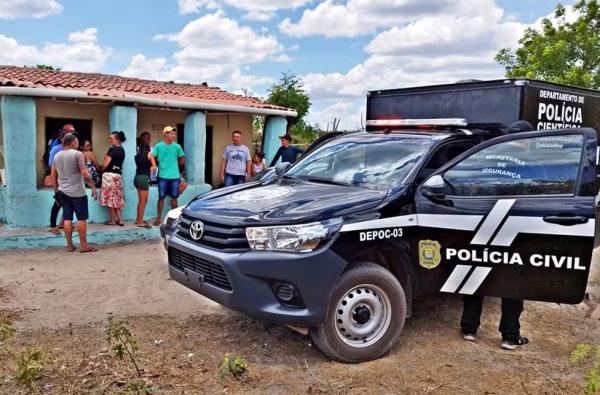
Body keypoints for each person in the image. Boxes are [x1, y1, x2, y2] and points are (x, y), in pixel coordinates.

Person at [460, 120, 532, 351]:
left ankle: (469, 329)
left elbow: (471, 188)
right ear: (528, 141)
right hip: (515, 226)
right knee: (511, 282)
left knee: (477, 275)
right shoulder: (532, 165)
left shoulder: (486, 158)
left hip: (483, 224)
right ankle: (510, 337)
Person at [50, 133, 98, 253]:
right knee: (81, 219)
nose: (78, 144)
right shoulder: (78, 154)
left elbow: (53, 175)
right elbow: (85, 173)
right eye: (76, 142)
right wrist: (92, 186)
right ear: (72, 143)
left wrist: (56, 191)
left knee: (67, 218)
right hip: (77, 192)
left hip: (63, 191)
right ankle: (84, 245)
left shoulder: (57, 155)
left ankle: (70, 246)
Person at [150, 126, 185, 226]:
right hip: (162, 176)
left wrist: (174, 166)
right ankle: (158, 219)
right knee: (161, 197)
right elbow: (152, 156)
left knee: (174, 198)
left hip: (174, 176)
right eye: (171, 133)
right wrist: (155, 165)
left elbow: (182, 159)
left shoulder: (177, 147)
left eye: (174, 134)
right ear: (165, 134)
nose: (173, 135)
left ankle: (176, 220)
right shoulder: (158, 146)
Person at [48, 124, 76, 235]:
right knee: (58, 203)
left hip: (69, 181)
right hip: (60, 180)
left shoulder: (73, 149)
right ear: (61, 139)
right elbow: (51, 164)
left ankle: (63, 223)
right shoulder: (56, 149)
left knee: (69, 203)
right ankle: (53, 226)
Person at [100, 131, 127, 226]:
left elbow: (104, 165)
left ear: (118, 139)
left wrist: (101, 169)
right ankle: (120, 220)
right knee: (116, 198)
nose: (109, 140)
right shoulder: (122, 150)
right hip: (118, 176)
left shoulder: (112, 150)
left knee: (110, 199)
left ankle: (112, 220)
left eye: (111, 138)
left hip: (109, 176)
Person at [134, 132, 152, 228]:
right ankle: (140, 222)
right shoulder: (149, 154)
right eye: (149, 138)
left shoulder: (138, 154)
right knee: (143, 201)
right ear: (147, 140)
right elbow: (154, 166)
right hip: (144, 178)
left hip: (137, 177)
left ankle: (138, 219)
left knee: (141, 200)